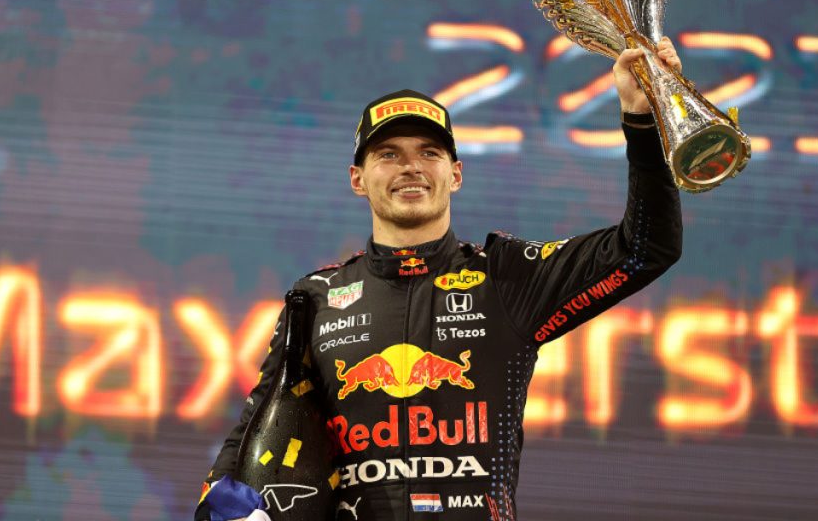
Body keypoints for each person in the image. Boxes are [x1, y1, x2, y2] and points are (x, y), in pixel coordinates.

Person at [198, 40, 684, 520]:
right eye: (388, 154)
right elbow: (255, 429)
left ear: (455, 174)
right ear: (357, 178)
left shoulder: (505, 277)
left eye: (429, 152)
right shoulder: (315, 298)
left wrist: (643, 123)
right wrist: (221, 509)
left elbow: (646, 248)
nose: (411, 166)